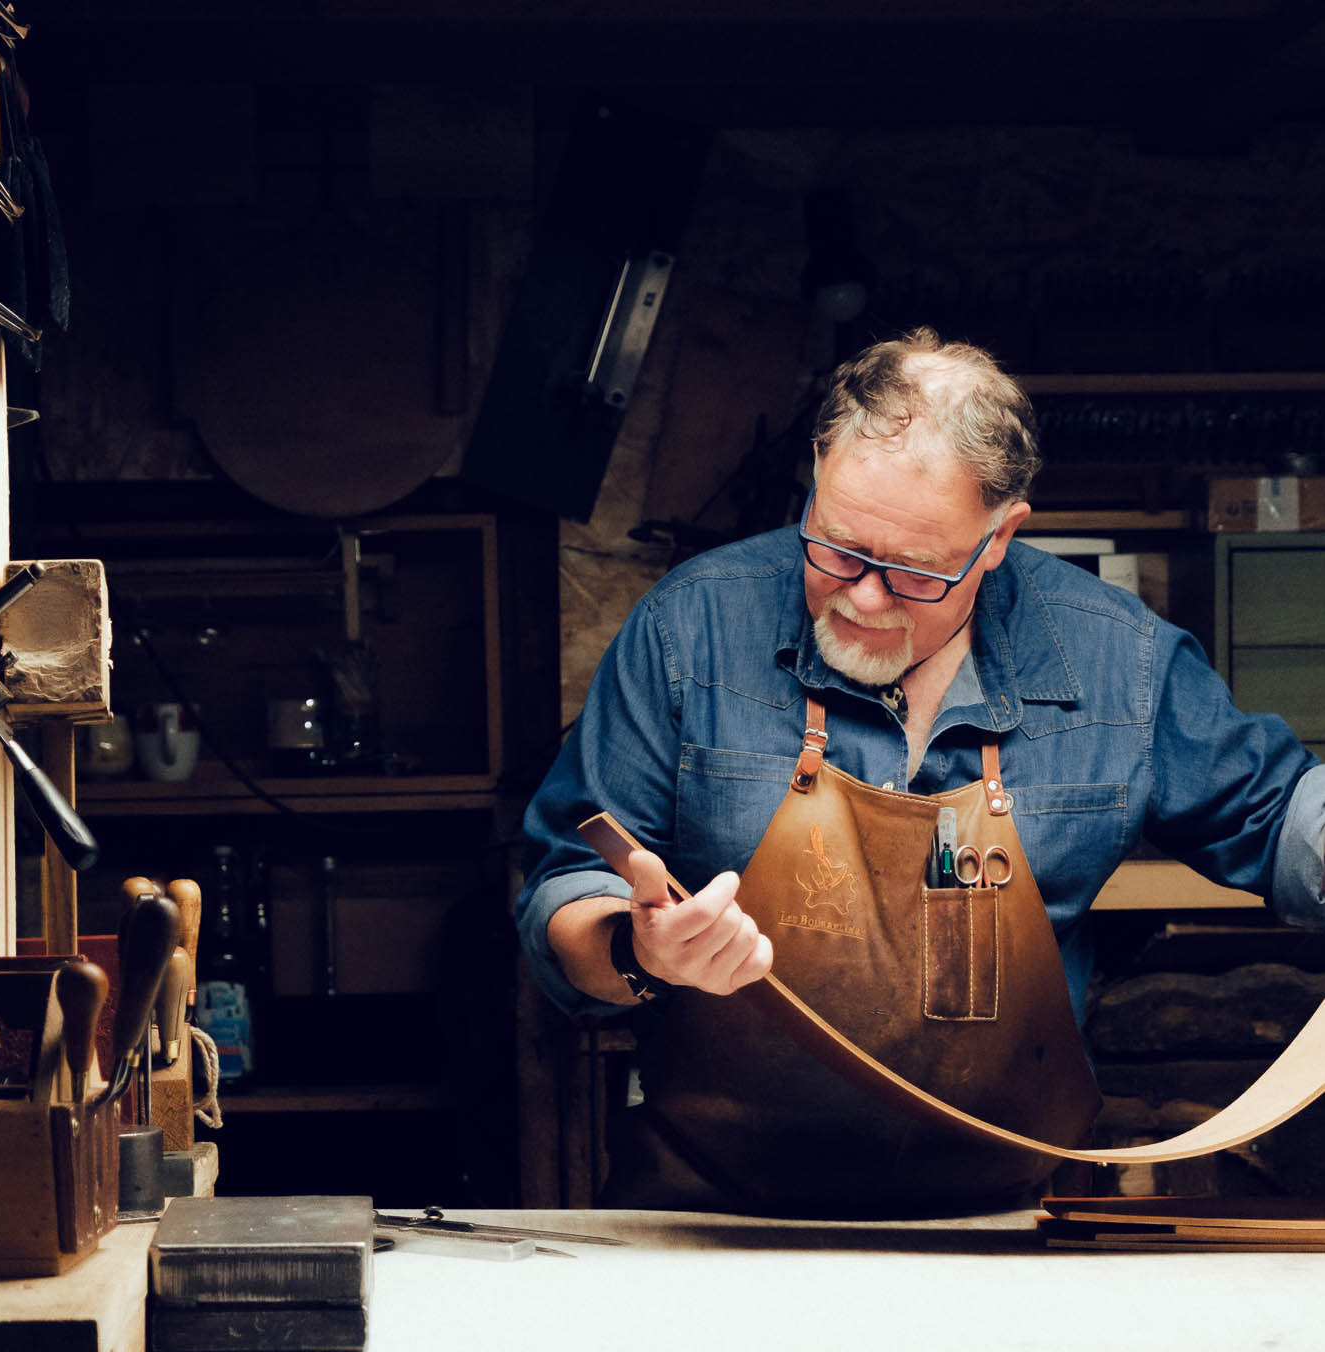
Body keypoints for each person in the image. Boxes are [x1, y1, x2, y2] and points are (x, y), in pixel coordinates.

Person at [516, 328, 1325, 1217]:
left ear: (999, 535)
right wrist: (638, 950)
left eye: (912, 573)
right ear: (817, 471)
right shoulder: (689, 630)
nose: (862, 596)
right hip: (707, 1208)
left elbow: (1279, 811)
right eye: (837, 548)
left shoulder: (1116, 660)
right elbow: (567, 885)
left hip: (1005, 1216)